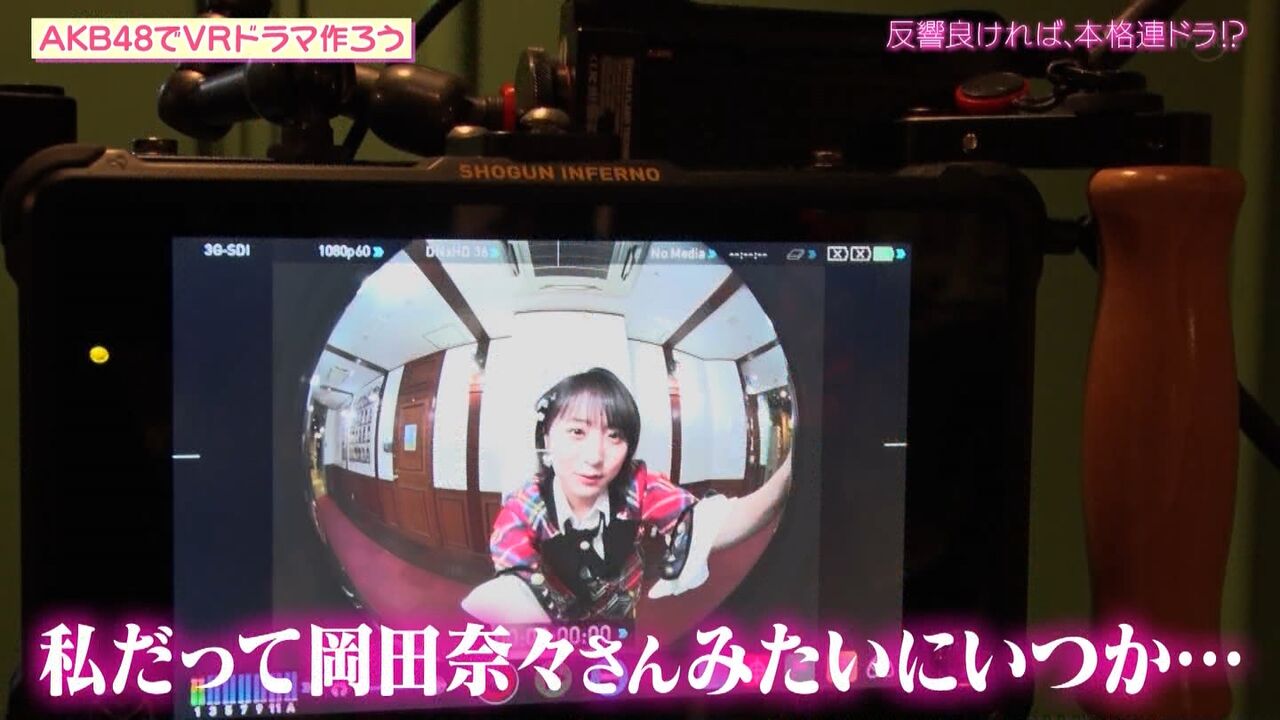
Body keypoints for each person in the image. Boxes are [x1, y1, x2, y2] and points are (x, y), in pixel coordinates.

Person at [461, 367, 792, 624]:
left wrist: (790, 472)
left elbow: (710, 524)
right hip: (557, 631)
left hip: (622, 620)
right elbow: (513, 579)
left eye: (615, 436)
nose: (595, 456)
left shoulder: (638, 484)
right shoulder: (525, 505)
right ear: (546, 438)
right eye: (577, 431)